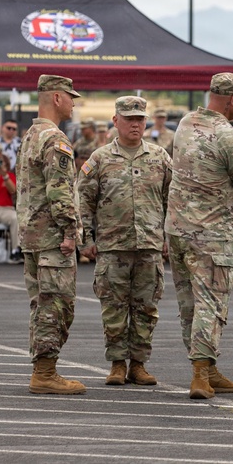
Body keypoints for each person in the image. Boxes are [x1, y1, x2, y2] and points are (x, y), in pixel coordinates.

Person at [165, 72, 233, 400]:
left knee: (188, 303)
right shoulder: (230, 139)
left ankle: (207, 369)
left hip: (178, 230)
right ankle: (201, 374)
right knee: (210, 304)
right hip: (211, 234)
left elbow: (215, 142)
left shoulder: (187, 122)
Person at [78, 96, 172, 387]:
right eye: (129, 118)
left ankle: (139, 364)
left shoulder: (159, 157)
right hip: (112, 246)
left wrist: (169, 237)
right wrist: (86, 240)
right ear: (115, 121)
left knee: (146, 308)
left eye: (140, 119)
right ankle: (117, 363)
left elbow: (173, 201)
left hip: (149, 245)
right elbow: (83, 202)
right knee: (113, 307)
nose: (135, 124)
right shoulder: (100, 158)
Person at [16, 74, 86, 395]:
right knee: (56, 304)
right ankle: (45, 372)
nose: (74, 102)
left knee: (40, 303)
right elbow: (60, 193)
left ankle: (43, 369)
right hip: (52, 238)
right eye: (71, 96)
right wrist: (70, 231)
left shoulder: (31, 135)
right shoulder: (55, 140)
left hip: (32, 235)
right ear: (56, 98)